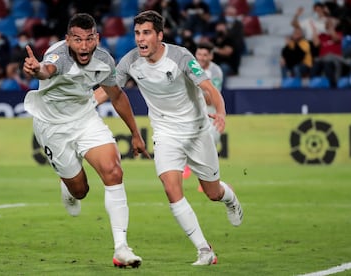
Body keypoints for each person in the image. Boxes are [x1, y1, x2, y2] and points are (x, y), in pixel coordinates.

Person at [95, 10, 243, 266]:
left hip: (197, 132)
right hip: (165, 133)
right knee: (171, 189)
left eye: (146, 33)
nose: (140, 39)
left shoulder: (180, 56)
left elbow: (208, 88)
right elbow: (107, 91)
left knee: (212, 192)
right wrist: (81, 106)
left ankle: (229, 198)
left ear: (159, 36)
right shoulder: (130, 61)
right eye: (137, 33)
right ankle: (204, 251)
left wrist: (220, 111)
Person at [22, 13, 149, 268]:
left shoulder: (103, 60)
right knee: (80, 190)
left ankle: (121, 248)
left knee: (114, 171)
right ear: (68, 39)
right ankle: (67, 186)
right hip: (52, 127)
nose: (83, 46)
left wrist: (135, 134)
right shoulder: (57, 55)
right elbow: (47, 70)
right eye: (77, 40)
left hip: (84, 119)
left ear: (97, 38)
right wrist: (37, 70)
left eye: (89, 39)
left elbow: (117, 95)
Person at [183, 42, 223, 182]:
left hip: (211, 113)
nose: (201, 57)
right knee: (187, 139)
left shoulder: (216, 71)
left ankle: (208, 179)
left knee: (211, 144)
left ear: (211, 56)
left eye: (205, 55)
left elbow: (211, 99)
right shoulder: (190, 68)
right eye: (199, 54)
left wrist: (197, 92)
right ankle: (188, 165)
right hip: (194, 112)